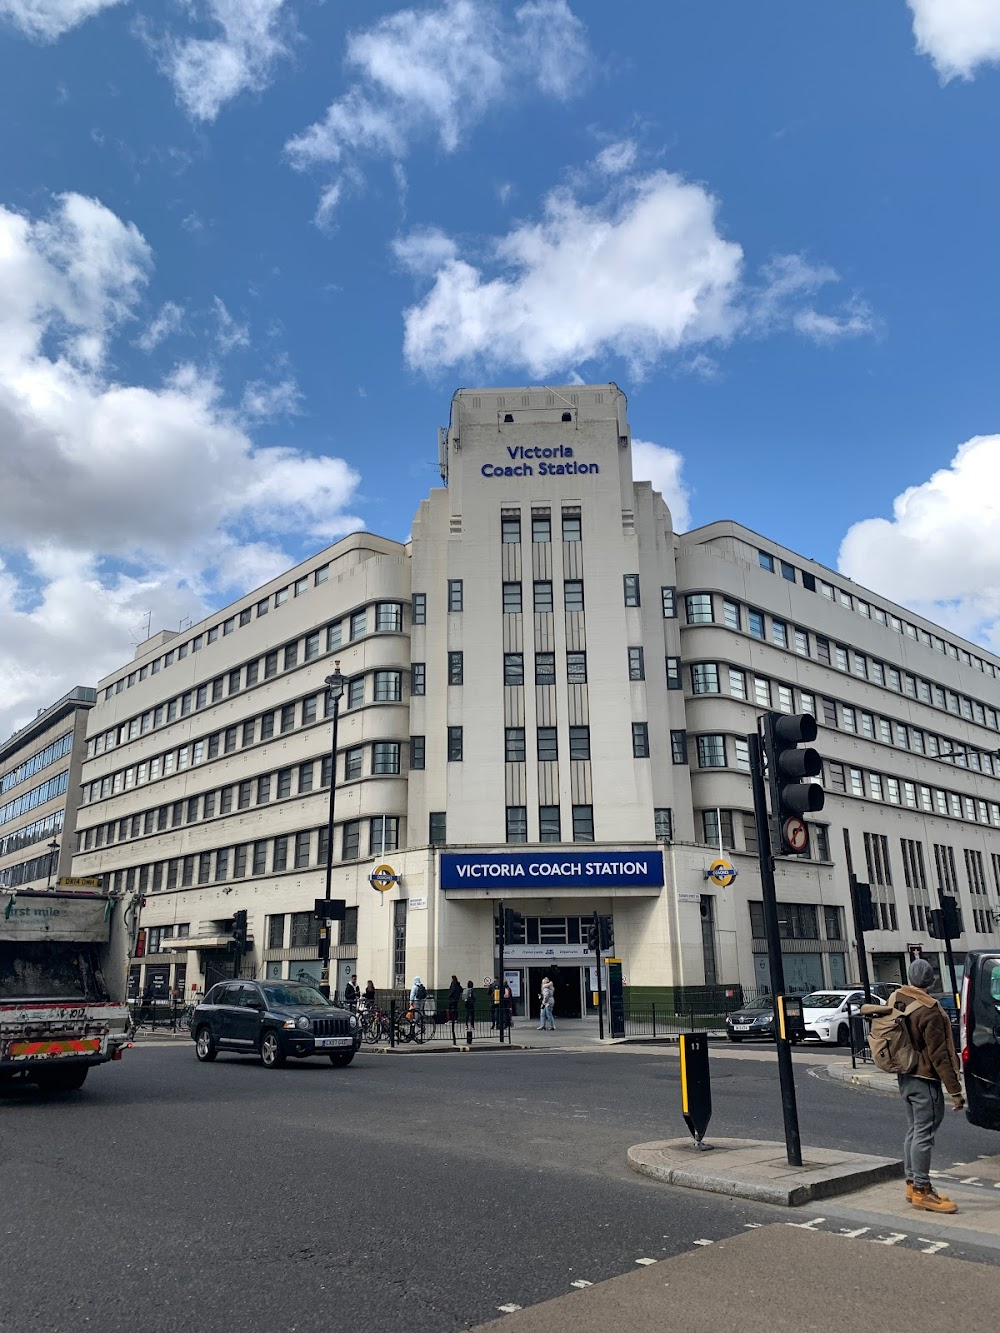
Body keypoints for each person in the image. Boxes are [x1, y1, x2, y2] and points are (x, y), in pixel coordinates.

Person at [892, 957, 965, 1214]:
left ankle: (912, 1185)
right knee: (924, 1134)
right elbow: (940, 1054)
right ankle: (923, 1190)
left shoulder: (898, 999)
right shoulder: (929, 1009)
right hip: (925, 1079)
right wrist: (955, 1090)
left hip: (905, 1075)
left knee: (913, 1130)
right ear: (931, 980)